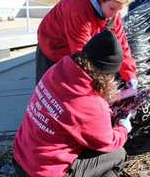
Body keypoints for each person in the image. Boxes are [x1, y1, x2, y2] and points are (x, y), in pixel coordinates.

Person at [13, 29, 132, 177]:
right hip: (43, 173)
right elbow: (108, 142)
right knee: (117, 154)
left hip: (21, 158)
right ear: (107, 74)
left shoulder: (57, 69)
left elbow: (72, 111)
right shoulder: (90, 103)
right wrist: (123, 127)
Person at [36, 0, 137, 99]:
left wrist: (130, 76)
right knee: (47, 92)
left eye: (118, 11)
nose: (115, 14)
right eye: (112, 8)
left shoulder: (113, 14)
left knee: (72, 90)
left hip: (73, 46)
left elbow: (121, 46)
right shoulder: (78, 6)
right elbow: (81, 54)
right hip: (52, 45)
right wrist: (100, 88)